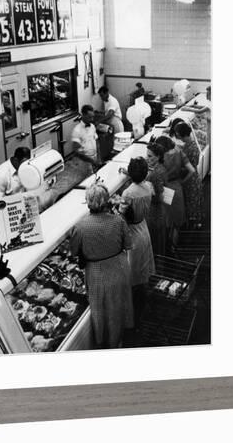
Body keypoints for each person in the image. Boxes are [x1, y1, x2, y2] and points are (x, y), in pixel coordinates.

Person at [70, 183, 134, 349]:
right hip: (119, 269)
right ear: (106, 201)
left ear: (88, 202)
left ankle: (103, 341)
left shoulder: (80, 226)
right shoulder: (118, 221)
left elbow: (74, 251)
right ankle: (118, 340)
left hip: (97, 274)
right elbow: (129, 245)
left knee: (101, 310)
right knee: (118, 305)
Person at [118, 157, 155, 328]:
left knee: (132, 271)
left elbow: (122, 214)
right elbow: (141, 181)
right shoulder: (148, 187)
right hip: (143, 228)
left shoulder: (127, 193)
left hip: (132, 233)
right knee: (143, 266)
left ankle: (132, 312)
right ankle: (144, 301)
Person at [155, 135, 195, 243]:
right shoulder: (179, 152)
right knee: (176, 223)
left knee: (167, 221)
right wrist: (182, 182)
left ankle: (167, 249)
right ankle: (174, 247)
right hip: (177, 188)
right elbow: (192, 170)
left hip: (165, 190)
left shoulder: (160, 157)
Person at [174, 122, 204, 228]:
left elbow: (191, 170)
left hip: (190, 181)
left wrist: (183, 181)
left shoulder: (192, 148)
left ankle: (196, 225)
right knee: (194, 203)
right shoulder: (190, 145)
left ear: (181, 134)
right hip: (193, 180)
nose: (176, 135)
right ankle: (195, 223)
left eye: (177, 133)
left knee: (192, 204)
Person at [145, 142, 168, 256]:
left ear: (158, 157)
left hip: (154, 213)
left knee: (154, 246)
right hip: (161, 212)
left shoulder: (154, 174)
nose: (147, 158)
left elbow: (159, 197)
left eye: (150, 156)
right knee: (159, 244)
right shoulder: (161, 168)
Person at [70, 104, 99, 179]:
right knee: (86, 181)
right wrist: (91, 161)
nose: (92, 119)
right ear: (83, 115)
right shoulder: (77, 130)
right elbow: (77, 152)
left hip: (94, 158)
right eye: (90, 117)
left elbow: (96, 141)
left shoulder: (92, 126)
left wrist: (99, 158)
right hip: (84, 163)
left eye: (93, 117)